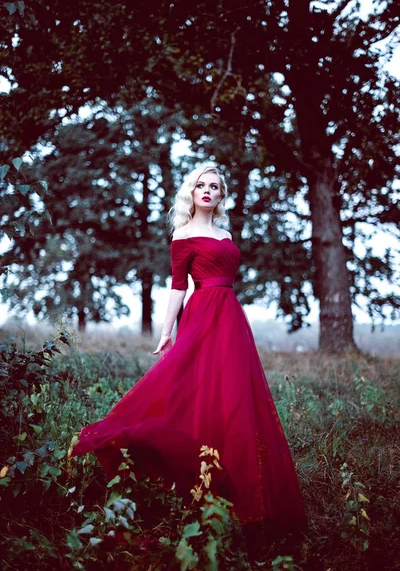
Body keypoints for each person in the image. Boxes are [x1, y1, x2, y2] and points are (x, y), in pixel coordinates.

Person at [69, 164, 306, 533]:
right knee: (188, 387)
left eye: (214, 186)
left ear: (221, 194)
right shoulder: (183, 234)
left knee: (235, 397)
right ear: (191, 194)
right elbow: (179, 286)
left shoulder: (226, 234)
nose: (208, 191)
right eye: (201, 186)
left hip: (231, 318)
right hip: (203, 314)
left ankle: (244, 496)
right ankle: (178, 471)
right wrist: (166, 332)